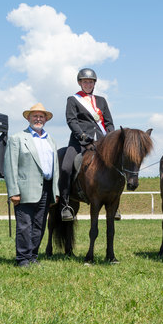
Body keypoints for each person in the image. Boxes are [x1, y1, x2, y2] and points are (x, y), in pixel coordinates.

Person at [4, 103, 59, 267]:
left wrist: (54, 191)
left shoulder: (51, 140)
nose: (38, 119)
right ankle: (22, 259)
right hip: (25, 190)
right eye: (35, 116)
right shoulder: (17, 138)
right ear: (28, 118)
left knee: (39, 225)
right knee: (24, 225)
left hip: (46, 188)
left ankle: (33, 256)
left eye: (41, 116)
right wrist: (13, 191)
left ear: (46, 120)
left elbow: (55, 168)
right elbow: (10, 166)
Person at [60, 68, 115, 221]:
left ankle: (115, 204)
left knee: (117, 166)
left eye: (90, 82)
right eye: (85, 82)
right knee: (65, 167)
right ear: (80, 83)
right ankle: (65, 204)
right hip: (79, 141)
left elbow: (109, 122)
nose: (88, 84)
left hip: (101, 142)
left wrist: (110, 138)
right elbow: (71, 120)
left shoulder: (102, 101)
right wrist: (82, 135)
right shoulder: (73, 100)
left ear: (94, 83)